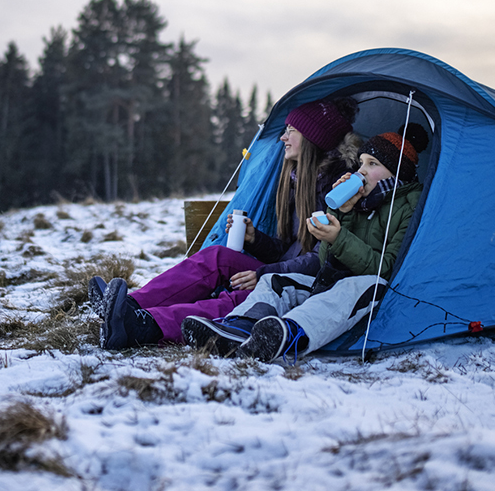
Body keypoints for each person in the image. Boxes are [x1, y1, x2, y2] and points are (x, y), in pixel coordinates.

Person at [95, 97, 364, 350]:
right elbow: (290, 247)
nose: (283, 137)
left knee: (244, 298)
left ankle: (144, 327)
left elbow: (320, 260)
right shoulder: (297, 179)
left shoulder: (339, 189)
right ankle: (129, 305)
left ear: (311, 138)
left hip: (307, 285)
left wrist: (264, 273)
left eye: (291, 130)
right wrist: (254, 239)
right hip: (281, 270)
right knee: (216, 257)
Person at [182, 123, 428, 362]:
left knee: (362, 285)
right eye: (361, 162)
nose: (361, 171)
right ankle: (238, 328)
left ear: (397, 173)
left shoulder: (410, 206)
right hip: (332, 283)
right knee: (273, 281)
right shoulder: (361, 203)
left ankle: (289, 334)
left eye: (372, 164)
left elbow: (385, 269)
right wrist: (343, 213)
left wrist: (338, 237)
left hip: (370, 294)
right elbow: (326, 262)